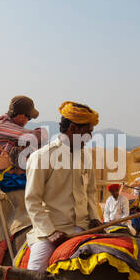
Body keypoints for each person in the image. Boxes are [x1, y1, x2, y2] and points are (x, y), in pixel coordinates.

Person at [24, 101, 102, 271]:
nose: (90, 138)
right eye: (88, 133)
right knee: (35, 272)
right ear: (73, 129)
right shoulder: (42, 157)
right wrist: (50, 232)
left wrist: (94, 218)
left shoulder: (85, 156)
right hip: (51, 231)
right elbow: (32, 201)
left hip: (82, 227)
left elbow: (90, 192)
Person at [0, 95, 45, 171]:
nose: (27, 121)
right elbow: (40, 135)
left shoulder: (1, 121)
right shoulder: (3, 126)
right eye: (29, 118)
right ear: (22, 117)